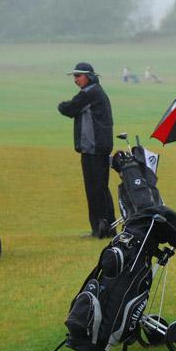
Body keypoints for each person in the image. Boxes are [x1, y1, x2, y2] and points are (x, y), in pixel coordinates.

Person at [58, 62, 116, 238]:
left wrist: (60, 105)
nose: (75, 79)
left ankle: (99, 229)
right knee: (101, 189)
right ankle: (108, 228)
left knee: (94, 190)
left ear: (88, 76)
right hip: (98, 148)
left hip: (93, 149)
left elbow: (69, 108)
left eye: (78, 76)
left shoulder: (90, 93)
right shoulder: (95, 91)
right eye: (74, 76)